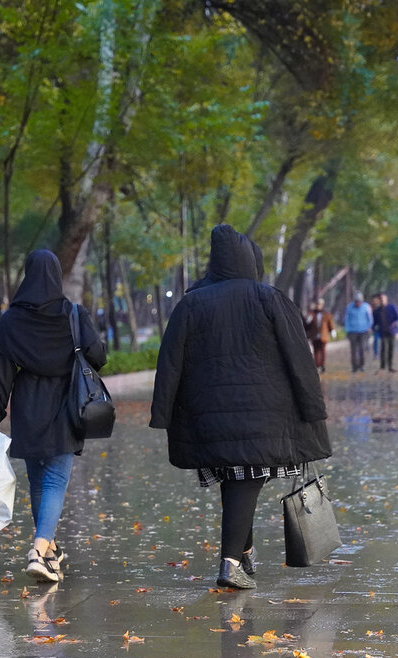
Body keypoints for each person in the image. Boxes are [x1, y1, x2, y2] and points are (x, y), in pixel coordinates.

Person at [151, 224, 332, 590]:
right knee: (249, 476)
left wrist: (164, 412)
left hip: (208, 413)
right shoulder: (269, 298)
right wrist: (313, 407)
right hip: (266, 413)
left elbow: (169, 361)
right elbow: (300, 357)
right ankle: (230, 562)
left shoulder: (191, 304)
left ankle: (244, 549)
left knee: (238, 477)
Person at [0, 249, 106, 583]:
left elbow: (0, 374)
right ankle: (38, 551)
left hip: (28, 407)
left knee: (38, 479)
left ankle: (49, 550)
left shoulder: (12, 320)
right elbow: (100, 356)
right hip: (65, 405)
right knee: (54, 480)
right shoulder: (72, 315)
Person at [303, 298, 335, 373]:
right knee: (316, 351)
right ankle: (317, 365)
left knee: (323, 351)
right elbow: (307, 325)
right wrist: (307, 321)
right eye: (317, 304)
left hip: (323, 336)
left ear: (322, 305)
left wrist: (332, 331)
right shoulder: (312, 314)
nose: (318, 306)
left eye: (319, 304)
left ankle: (322, 365)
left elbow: (330, 324)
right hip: (314, 336)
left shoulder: (326, 314)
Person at [344, 291, 372, 372]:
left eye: (359, 302)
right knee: (353, 350)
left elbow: (370, 318)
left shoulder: (366, 307)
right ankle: (354, 366)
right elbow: (346, 319)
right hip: (352, 331)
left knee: (362, 348)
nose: (358, 303)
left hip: (363, 331)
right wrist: (347, 329)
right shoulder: (349, 307)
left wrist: (369, 327)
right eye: (356, 302)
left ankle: (362, 365)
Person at [373, 293, 398, 373]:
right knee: (383, 348)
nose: (382, 300)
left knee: (391, 349)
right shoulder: (376, 311)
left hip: (391, 331)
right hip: (382, 332)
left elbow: (397, 318)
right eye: (380, 299)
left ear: (386, 299)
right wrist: (374, 329)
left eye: (383, 298)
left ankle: (390, 366)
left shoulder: (392, 308)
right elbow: (374, 322)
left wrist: (393, 325)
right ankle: (382, 366)